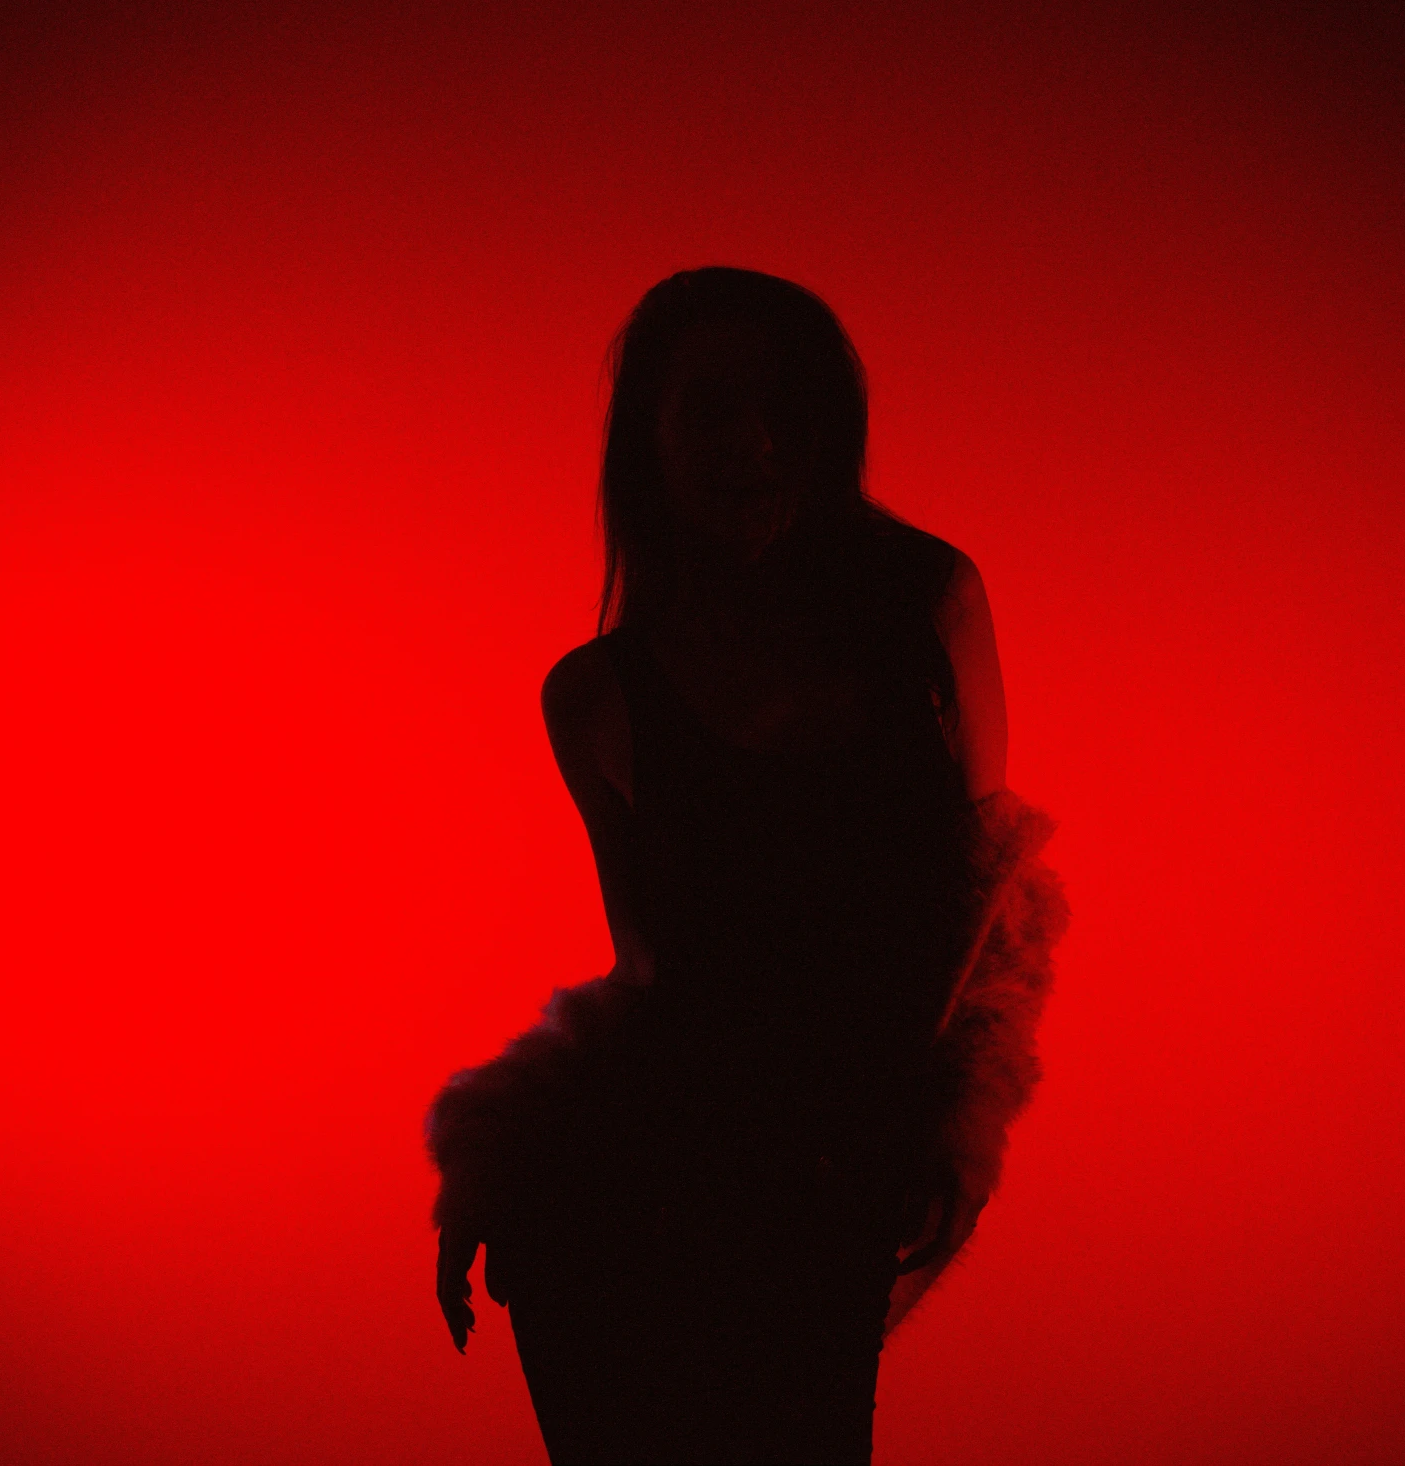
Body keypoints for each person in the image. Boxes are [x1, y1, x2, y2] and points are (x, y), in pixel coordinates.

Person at [424, 268, 1066, 1464]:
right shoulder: (598, 695)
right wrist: (494, 1153)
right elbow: (653, 983)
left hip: (816, 1198)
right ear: (650, 436)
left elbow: (996, 901)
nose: (752, 444)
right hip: (621, 1214)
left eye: (786, 408)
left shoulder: (929, 604)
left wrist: (959, 1128)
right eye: (710, 409)